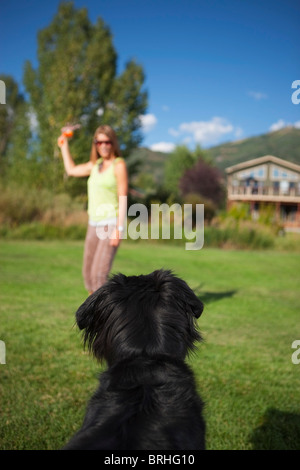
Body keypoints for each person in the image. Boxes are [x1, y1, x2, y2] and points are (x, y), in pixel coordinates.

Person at [58, 125, 128, 295]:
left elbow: (123, 197)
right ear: (95, 144)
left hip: (110, 224)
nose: (103, 145)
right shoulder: (95, 165)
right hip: (93, 224)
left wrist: (119, 229)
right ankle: (96, 314)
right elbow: (71, 170)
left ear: (113, 143)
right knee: (88, 275)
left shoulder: (118, 165)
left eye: (107, 142)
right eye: (99, 142)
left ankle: (104, 318)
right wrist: (64, 145)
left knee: (99, 276)